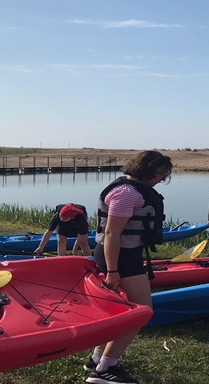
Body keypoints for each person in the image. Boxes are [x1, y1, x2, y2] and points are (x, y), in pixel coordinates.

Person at [84, 150, 172, 384]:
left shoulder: (128, 189)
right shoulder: (126, 193)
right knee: (141, 312)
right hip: (119, 258)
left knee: (116, 312)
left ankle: (96, 359)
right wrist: (113, 271)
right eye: (161, 174)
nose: (162, 179)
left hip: (122, 256)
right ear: (148, 170)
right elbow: (113, 233)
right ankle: (104, 370)